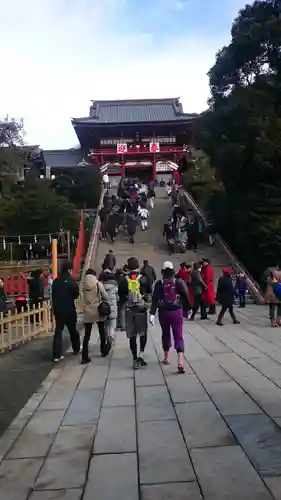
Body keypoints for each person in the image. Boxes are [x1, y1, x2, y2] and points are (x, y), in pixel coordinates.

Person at [150, 261, 188, 373]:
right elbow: (186, 296)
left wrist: (152, 313)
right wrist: (188, 309)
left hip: (164, 312)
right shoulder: (179, 282)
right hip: (176, 312)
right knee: (178, 335)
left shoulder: (159, 284)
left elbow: (154, 299)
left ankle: (167, 357)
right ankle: (180, 362)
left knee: (165, 333)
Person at [119, 257, 151, 369]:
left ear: (128, 266)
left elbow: (121, 295)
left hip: (129, 310)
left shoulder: (124, 279)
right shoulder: (144, 279)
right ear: (138, 266)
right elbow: (149, 292)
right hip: (141, 309)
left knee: (132, 336)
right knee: (143, 334)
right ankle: (141, 354)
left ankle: (134, 358)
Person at [51, 260, 80, 362]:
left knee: (58, 331)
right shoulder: (71, 281)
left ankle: (56, 355)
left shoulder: (56, 281)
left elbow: (53, 295)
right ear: (70, 270)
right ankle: (76, 348)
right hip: (69, 309)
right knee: (72, 330)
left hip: (58, 310)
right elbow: (76, 294)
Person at [82, 269, 111, 363]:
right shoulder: (97, 283)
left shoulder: (83, 284)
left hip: (87, 310)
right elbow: (106, 296)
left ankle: (84, 356)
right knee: (101, 331)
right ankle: (103, 350)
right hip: (98, 310)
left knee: (87, 335)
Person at [99, 268, 118, 340]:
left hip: (104, 307)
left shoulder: (100, 286)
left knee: (105, 324)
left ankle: (106, 337)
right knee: (112, 323)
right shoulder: (115, 287)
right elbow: (117, 298)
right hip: (113, 308)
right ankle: (111, 335)